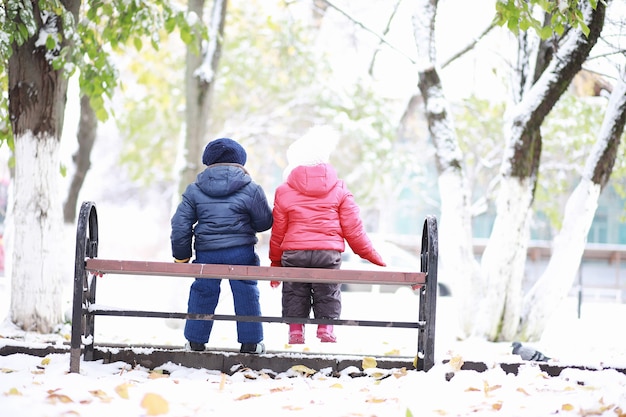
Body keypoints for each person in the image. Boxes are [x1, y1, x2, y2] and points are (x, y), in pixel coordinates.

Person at [269, 126, 386, 345]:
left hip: (294, 252)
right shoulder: (340, 188)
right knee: (328, 289)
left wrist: (276, 262)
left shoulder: (284, 191)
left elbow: (278, 232)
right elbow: (354, 229)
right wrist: (371, 255)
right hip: (327, 252)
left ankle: (296, 331)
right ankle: (326, 327)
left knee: (295, 289)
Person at [171, 137, 273, 354]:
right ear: (240, 162)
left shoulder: (194, 190)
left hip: (207, 252)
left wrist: (181, 256)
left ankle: (195, 342)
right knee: (246, 290)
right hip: (241, 251)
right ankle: (251, 343)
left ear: (208, 161)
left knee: (203, 291)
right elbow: (265, 222)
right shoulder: (251, 188)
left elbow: (180, 224)